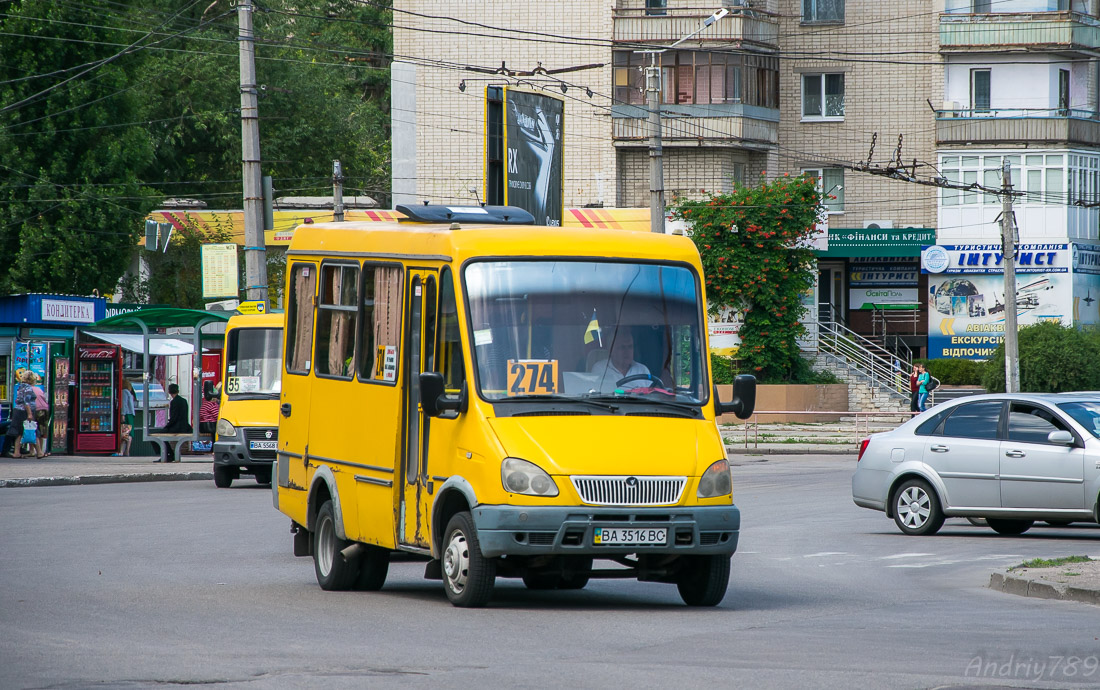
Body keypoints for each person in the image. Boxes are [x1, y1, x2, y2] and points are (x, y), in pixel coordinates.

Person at [590, 328, 651, 393]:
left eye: (630, 347)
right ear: (611, 350)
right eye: (622, 347)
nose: (627, 351)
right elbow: (595, 395)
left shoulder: (642, 370)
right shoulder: (600, 369)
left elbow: (651, 396)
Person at [3, 369, 36, 458]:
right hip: (23, 411)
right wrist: (29, 414)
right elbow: (27, 402)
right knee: (32, 430)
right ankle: (38, 451)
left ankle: (17, 452)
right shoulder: (28, 388)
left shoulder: (20, 386)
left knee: (18, 432)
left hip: (18, 410)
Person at [30, 373, 49, 459]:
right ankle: (40, 450)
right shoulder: (38, 389)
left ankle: (32, 451)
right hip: (44, 409)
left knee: (30, 429)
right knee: (41, 431)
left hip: (34, 410)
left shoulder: (26, 389)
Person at [115, 380, 136, 457]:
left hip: (126, 414)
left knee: (125, 433)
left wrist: (122, 414)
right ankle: (126, 451)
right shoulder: (129, 392)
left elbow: (123, 404)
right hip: (130, 414)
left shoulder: (124, 392)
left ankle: (123, 451)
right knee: (129, 433)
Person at [199, 380, 220, 447]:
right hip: (209, 425)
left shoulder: (205, 403)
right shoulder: (212, 404)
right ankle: (215, 447)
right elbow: (217, 416)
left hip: (204, 425)